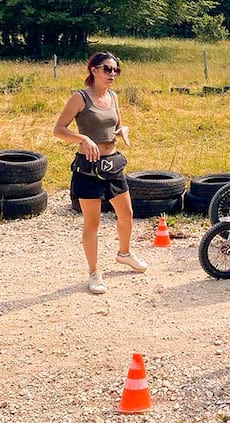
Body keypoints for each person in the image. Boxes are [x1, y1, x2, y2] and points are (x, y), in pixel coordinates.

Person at [53, 51, 147, 295]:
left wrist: (122, 130)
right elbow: (58, 129)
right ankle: (94, 273)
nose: (113, 74)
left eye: (116, 70)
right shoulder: (80, 97)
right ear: (93, 69)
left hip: (113, 165)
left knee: (126, 215)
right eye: (107, 69)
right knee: (92, 223)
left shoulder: (113, 96)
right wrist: (82, 138)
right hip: (88, 169)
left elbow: (116, 124)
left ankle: (124, 253)